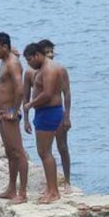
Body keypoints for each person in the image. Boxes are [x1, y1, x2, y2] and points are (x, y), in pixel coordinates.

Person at [0, 32, 28, 204]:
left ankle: (22, 193)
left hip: (10, 111)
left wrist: (14, 111)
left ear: (4, 47)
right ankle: (11, 189)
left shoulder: (12, 63)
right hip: (2, 111)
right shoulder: (4, 57)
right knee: (9, 152)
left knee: (18, 152)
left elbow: (20, 89)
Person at [24, 39, 72, 193]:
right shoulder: (33, 72)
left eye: (52, 51)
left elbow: (57, 93)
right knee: (45, 151)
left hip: (51, 112)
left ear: (37, 55)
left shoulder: (55, 69)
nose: (51, 54)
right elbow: (26, 95)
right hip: (42, 112)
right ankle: (52, 187)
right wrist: (26, 116)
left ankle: (62, 185)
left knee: (58, 148)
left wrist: (67, 116)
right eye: (48, 52)